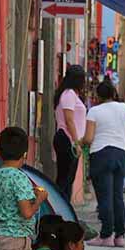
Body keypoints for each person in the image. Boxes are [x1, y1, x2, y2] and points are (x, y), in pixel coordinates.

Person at [83, 81, 125, 247]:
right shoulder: (124, 108)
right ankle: (120, 235)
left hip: (101, 153)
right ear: (113, 93)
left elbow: (89, 138)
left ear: (98, 96)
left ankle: (106, 235)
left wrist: (81, 142)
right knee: (117, 196)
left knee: (105, 196)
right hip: (120, 154)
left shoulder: (94, 111)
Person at [52, 65, 87, 198]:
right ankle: (61, 211)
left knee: (68, 179)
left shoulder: (72, 95)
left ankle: (65, 212)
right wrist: (76, 142)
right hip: (67, 139)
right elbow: (69, 120)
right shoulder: (69, 94)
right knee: (64, 179)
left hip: (69, 139)